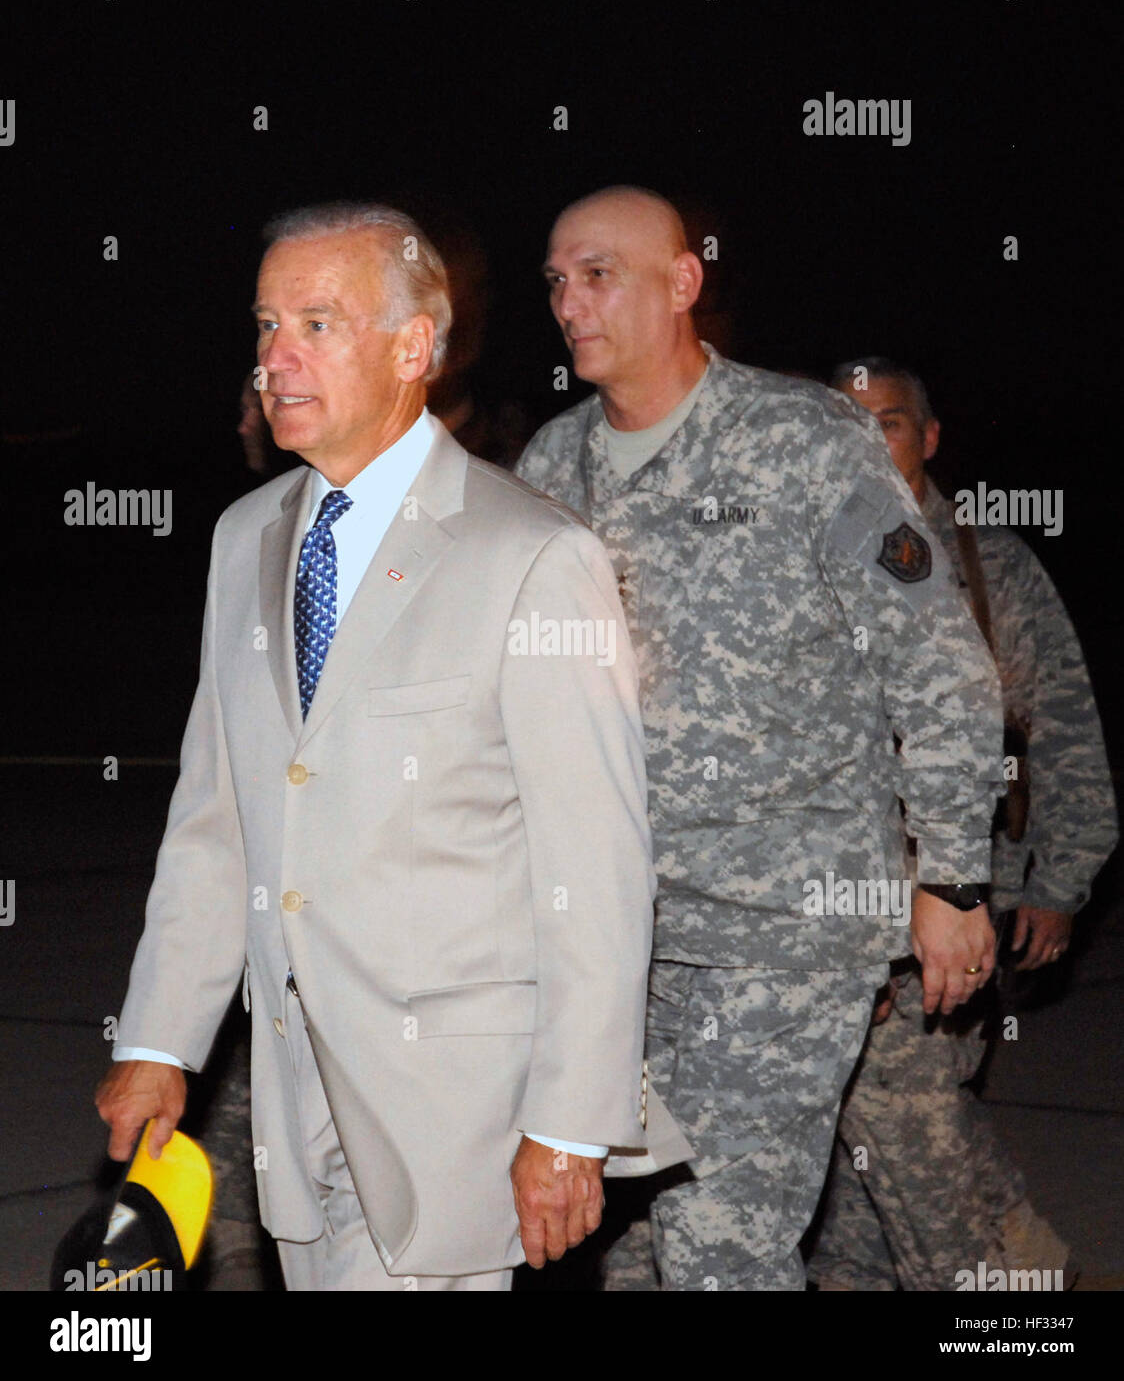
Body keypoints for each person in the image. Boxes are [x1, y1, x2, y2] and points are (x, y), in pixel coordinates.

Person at [95, 201, 688, 1291]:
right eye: (268, 324)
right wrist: (157, 1041)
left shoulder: (531, 556)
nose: (276, 357)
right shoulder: (245, 541)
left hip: (456, 1119)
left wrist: (569, 1121)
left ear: (414, 348)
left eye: (317, 324)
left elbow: (594, 873)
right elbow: (217, 819)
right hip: (292, 1098)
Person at [515, 186, 1006, 1291]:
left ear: (682, 282)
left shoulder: (804, 442)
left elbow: (934, 662)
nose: (567, 301)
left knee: (721, 1248)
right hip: (614, 938)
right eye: (554, 279)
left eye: (598, 273)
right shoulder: (551, 466)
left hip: (786, 927)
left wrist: (954, 878)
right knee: (630, 1252)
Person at [805, 357, 1118, 1290]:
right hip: (818, 921)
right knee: (852, 1188)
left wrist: (1062, 880)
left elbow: (1062, 727)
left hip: (945, 918)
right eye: (848, 427)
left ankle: (1009, 1296)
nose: (870, 446)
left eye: (890, 425)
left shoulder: (988, 564)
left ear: (931, 437)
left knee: (917, 1151)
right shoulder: (799, 554)